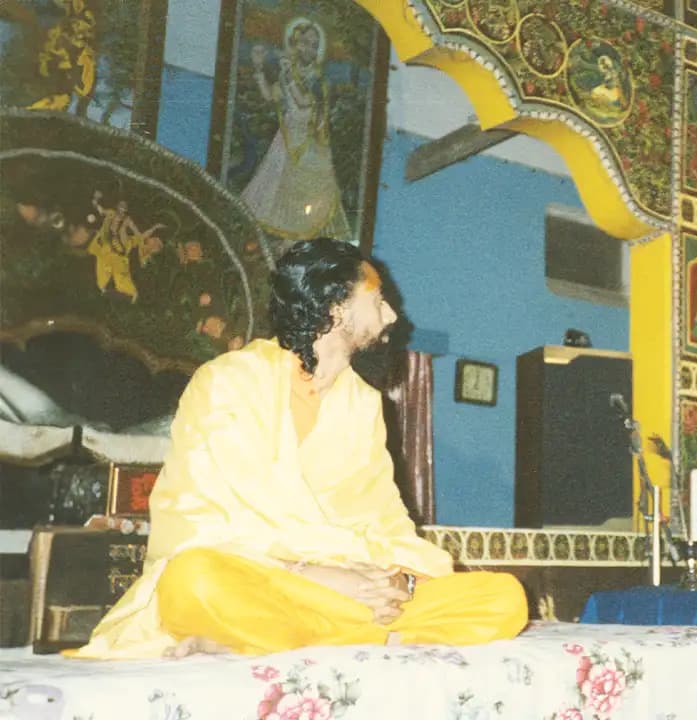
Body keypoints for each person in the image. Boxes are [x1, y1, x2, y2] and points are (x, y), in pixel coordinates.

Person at [72, 238, 527, 659]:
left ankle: (286, 638)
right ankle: (369, 638)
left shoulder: (363, 403)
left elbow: (384, 516)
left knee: (503, 599)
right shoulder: (229, 381)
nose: (391, 317)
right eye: (378, 300)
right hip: (270, 576)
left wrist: (399, 578)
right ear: (335, 307)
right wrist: (317, 574)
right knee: (195, 582)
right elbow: (209, 518)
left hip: (344, 586)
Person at [239, 17, 351, 243]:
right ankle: (283, 242)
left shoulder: (318, 79)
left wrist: (288, 74)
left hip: (310, 143)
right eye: (305, 43)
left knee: (305, 194)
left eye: (314, 45)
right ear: (294, 44)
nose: (309, 49)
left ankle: (299, 242)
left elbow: (303, 102)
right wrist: (259, 67)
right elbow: (271, 96)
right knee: (276, 189)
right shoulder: (288, 72)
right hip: (287, 137)